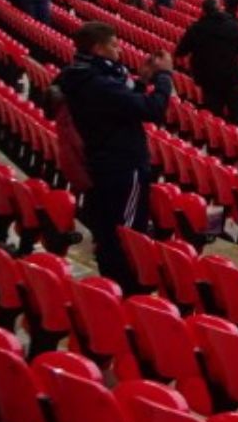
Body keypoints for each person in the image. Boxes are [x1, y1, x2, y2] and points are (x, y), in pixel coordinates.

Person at [57, 23, 173, 287]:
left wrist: (142, 81)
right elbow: (152, 109)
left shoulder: (80, 75)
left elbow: (123, 107)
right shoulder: (98, 84)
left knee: (109, 229)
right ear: (98, 49)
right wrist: (164, 77)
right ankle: (128, 287)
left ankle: (112, 284)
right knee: (127, 232)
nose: (119, 49)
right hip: (122, 166)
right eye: (113, 44)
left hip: (102, 160)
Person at [174, 0, 238, 126]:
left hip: (208, 78)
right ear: (220, 8)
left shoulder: (196, 29)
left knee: (213, 116)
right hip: (231, 76)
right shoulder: (233, 25)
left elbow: (180, 51)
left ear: (203, 11)